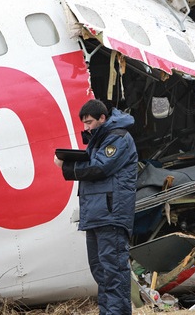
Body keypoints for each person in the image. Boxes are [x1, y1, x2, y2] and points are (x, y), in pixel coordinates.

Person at [54, 99, 138, 315]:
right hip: (97, 214)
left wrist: (68, 166)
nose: (86, 127)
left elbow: (100, 167)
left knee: (114, 271)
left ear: (103, 118)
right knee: (101, 271)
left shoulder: (118, 138)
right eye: (84, 123)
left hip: (111, 214)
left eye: (89, 122)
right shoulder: (100, 140)